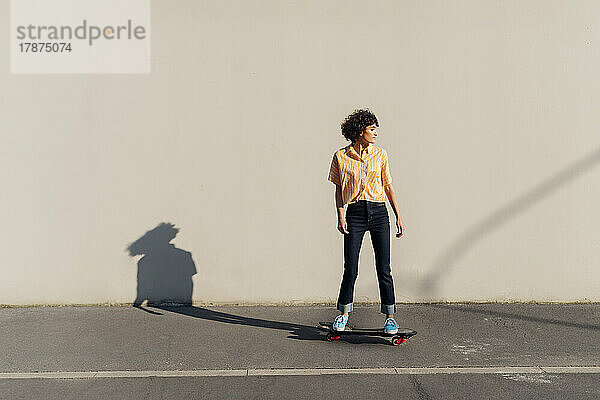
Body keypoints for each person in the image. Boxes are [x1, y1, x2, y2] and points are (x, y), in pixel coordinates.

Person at [327, 108, 405, 333]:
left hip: (379, 212)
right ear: (360, 130)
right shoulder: (340, 156)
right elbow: (339, 190)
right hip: (354, 214)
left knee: (384, 268)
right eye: (372, 129)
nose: (375, 133)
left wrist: (398, 215)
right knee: (350, 267)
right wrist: (340, 215)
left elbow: (388, 186)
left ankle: (390, 317)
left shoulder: (380, 154)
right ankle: (343, 314)